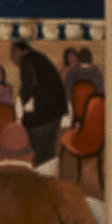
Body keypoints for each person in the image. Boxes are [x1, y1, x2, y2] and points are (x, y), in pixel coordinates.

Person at [11, 37, 69, 165]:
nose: (12, 58)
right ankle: (47, 172)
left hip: (43, 113)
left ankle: (40, 172)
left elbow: (29, 86)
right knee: (48, 150)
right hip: (55, 111)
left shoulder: (26, 60)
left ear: (17, 51)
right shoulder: (39, 58)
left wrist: (21, 103)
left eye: (12, 53)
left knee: (39, 150)